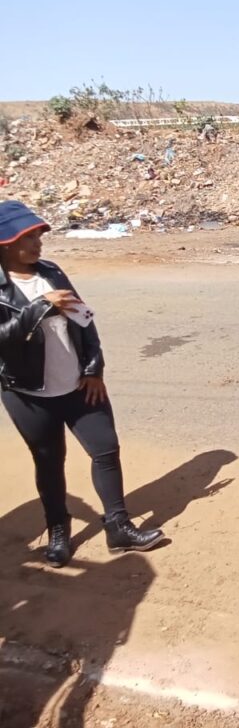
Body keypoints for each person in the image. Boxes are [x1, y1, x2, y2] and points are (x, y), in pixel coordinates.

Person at [0, 201, 164, 568]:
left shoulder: (52, 272)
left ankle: (118, 527)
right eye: (28, 237)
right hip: (28, 395)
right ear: (5, 243)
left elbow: (84, 321)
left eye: (38, 235)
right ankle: (59, 532)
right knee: (49, 462)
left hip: (78, 385)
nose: (38, 242)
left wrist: (93, 368)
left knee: (105, 450)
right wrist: (39, 307)